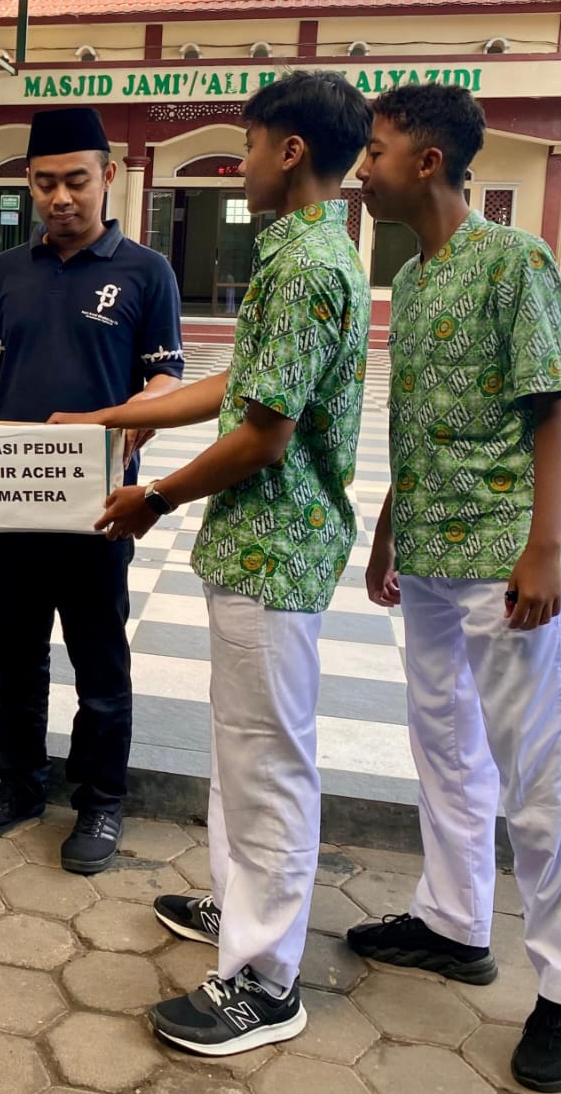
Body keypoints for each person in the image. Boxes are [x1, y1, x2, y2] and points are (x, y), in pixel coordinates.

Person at [60, 72, 373, 1055]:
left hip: (274, 548)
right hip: (258, 551)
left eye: (245, 145)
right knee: (240, 749)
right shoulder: (307, 256)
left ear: (289, 151)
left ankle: (265, 982)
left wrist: (152, 495)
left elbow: (263, 437)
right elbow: (237, 390)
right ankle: (240, 911)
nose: (237, 163)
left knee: (266, 760)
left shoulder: (303, 267)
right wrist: (111, 415)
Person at [356, 82, 561, 1093]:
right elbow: (416, 421)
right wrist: (383, 531)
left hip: (506, 562)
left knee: (534, 773)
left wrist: (542, 549)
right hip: (425, 553)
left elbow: (549, 409)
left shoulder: (515, 262)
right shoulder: (411, 278)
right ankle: (454, 922)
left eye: (373, 151)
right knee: (443, 748)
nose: (359, 169)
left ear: (425, 161)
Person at [0, 105, 184, 873]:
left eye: (76, 181)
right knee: (14, 653)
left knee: (99, 657)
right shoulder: (9, 271)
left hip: (98, 507)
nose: (60, 198)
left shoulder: (146, 272)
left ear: (107, 176)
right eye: (44, 182)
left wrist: (136, 421)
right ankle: (19, 784)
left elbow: (164, 377)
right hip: (11, 496)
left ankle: (101, 800)